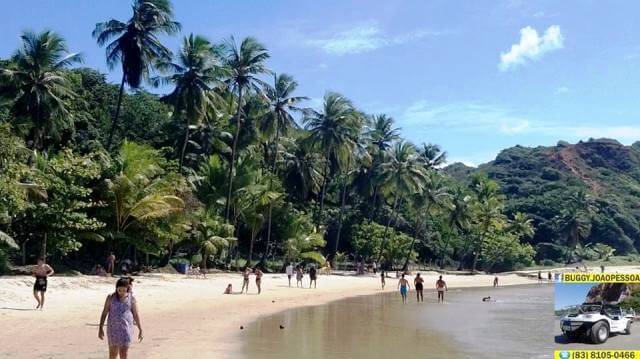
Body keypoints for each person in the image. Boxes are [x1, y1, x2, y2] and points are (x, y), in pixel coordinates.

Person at [99, 278, 143, 359]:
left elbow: (136, 314)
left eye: (124, 290)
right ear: (116, 289)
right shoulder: (110, 298)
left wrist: (140, 329)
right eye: (119, 290)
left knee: (124, 355)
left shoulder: (131, 299)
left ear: (127, 289)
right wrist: (100, 327)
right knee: (112, 355)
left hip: (126, 330)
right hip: (113, 330)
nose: (121, 293)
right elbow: (104, 313)